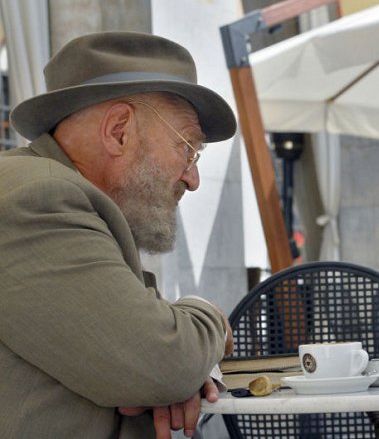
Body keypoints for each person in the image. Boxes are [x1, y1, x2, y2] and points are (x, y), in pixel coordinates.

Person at [0, 32, 238, 438]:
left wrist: (176, 369)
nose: (193, 178)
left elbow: (153, 361)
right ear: (119, 131)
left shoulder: (58, 196)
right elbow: (162, 362)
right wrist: (209, 315)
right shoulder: (37, 198)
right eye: (188, 148)